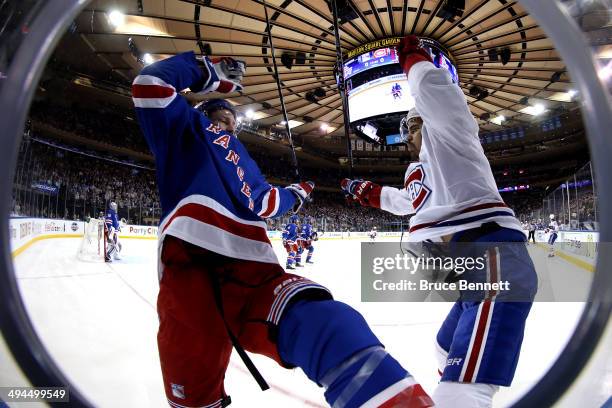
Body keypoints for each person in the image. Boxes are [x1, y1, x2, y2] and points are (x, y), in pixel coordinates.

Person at [132, 52, 433, 408]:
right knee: (195, 400)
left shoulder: (243, 157)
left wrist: (296, 193)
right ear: (202, 113)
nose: (228, 123)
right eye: (220, 115)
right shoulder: (182, 128)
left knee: (331, 324)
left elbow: (265, 204)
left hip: (255, 272)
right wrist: (206, 70)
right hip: (192, 271)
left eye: (232, 119)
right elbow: (149, 84)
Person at [341, 35, 537, 407]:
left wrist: (414, 59)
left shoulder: (450, 137)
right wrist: (365, 191)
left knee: (463, 390)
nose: (407, 137)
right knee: (441, 348)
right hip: (469, 269)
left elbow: (438, 96)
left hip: (493, 257)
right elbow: (405, 202)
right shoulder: (421, 170)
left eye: (411, 128)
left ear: (424, 123)